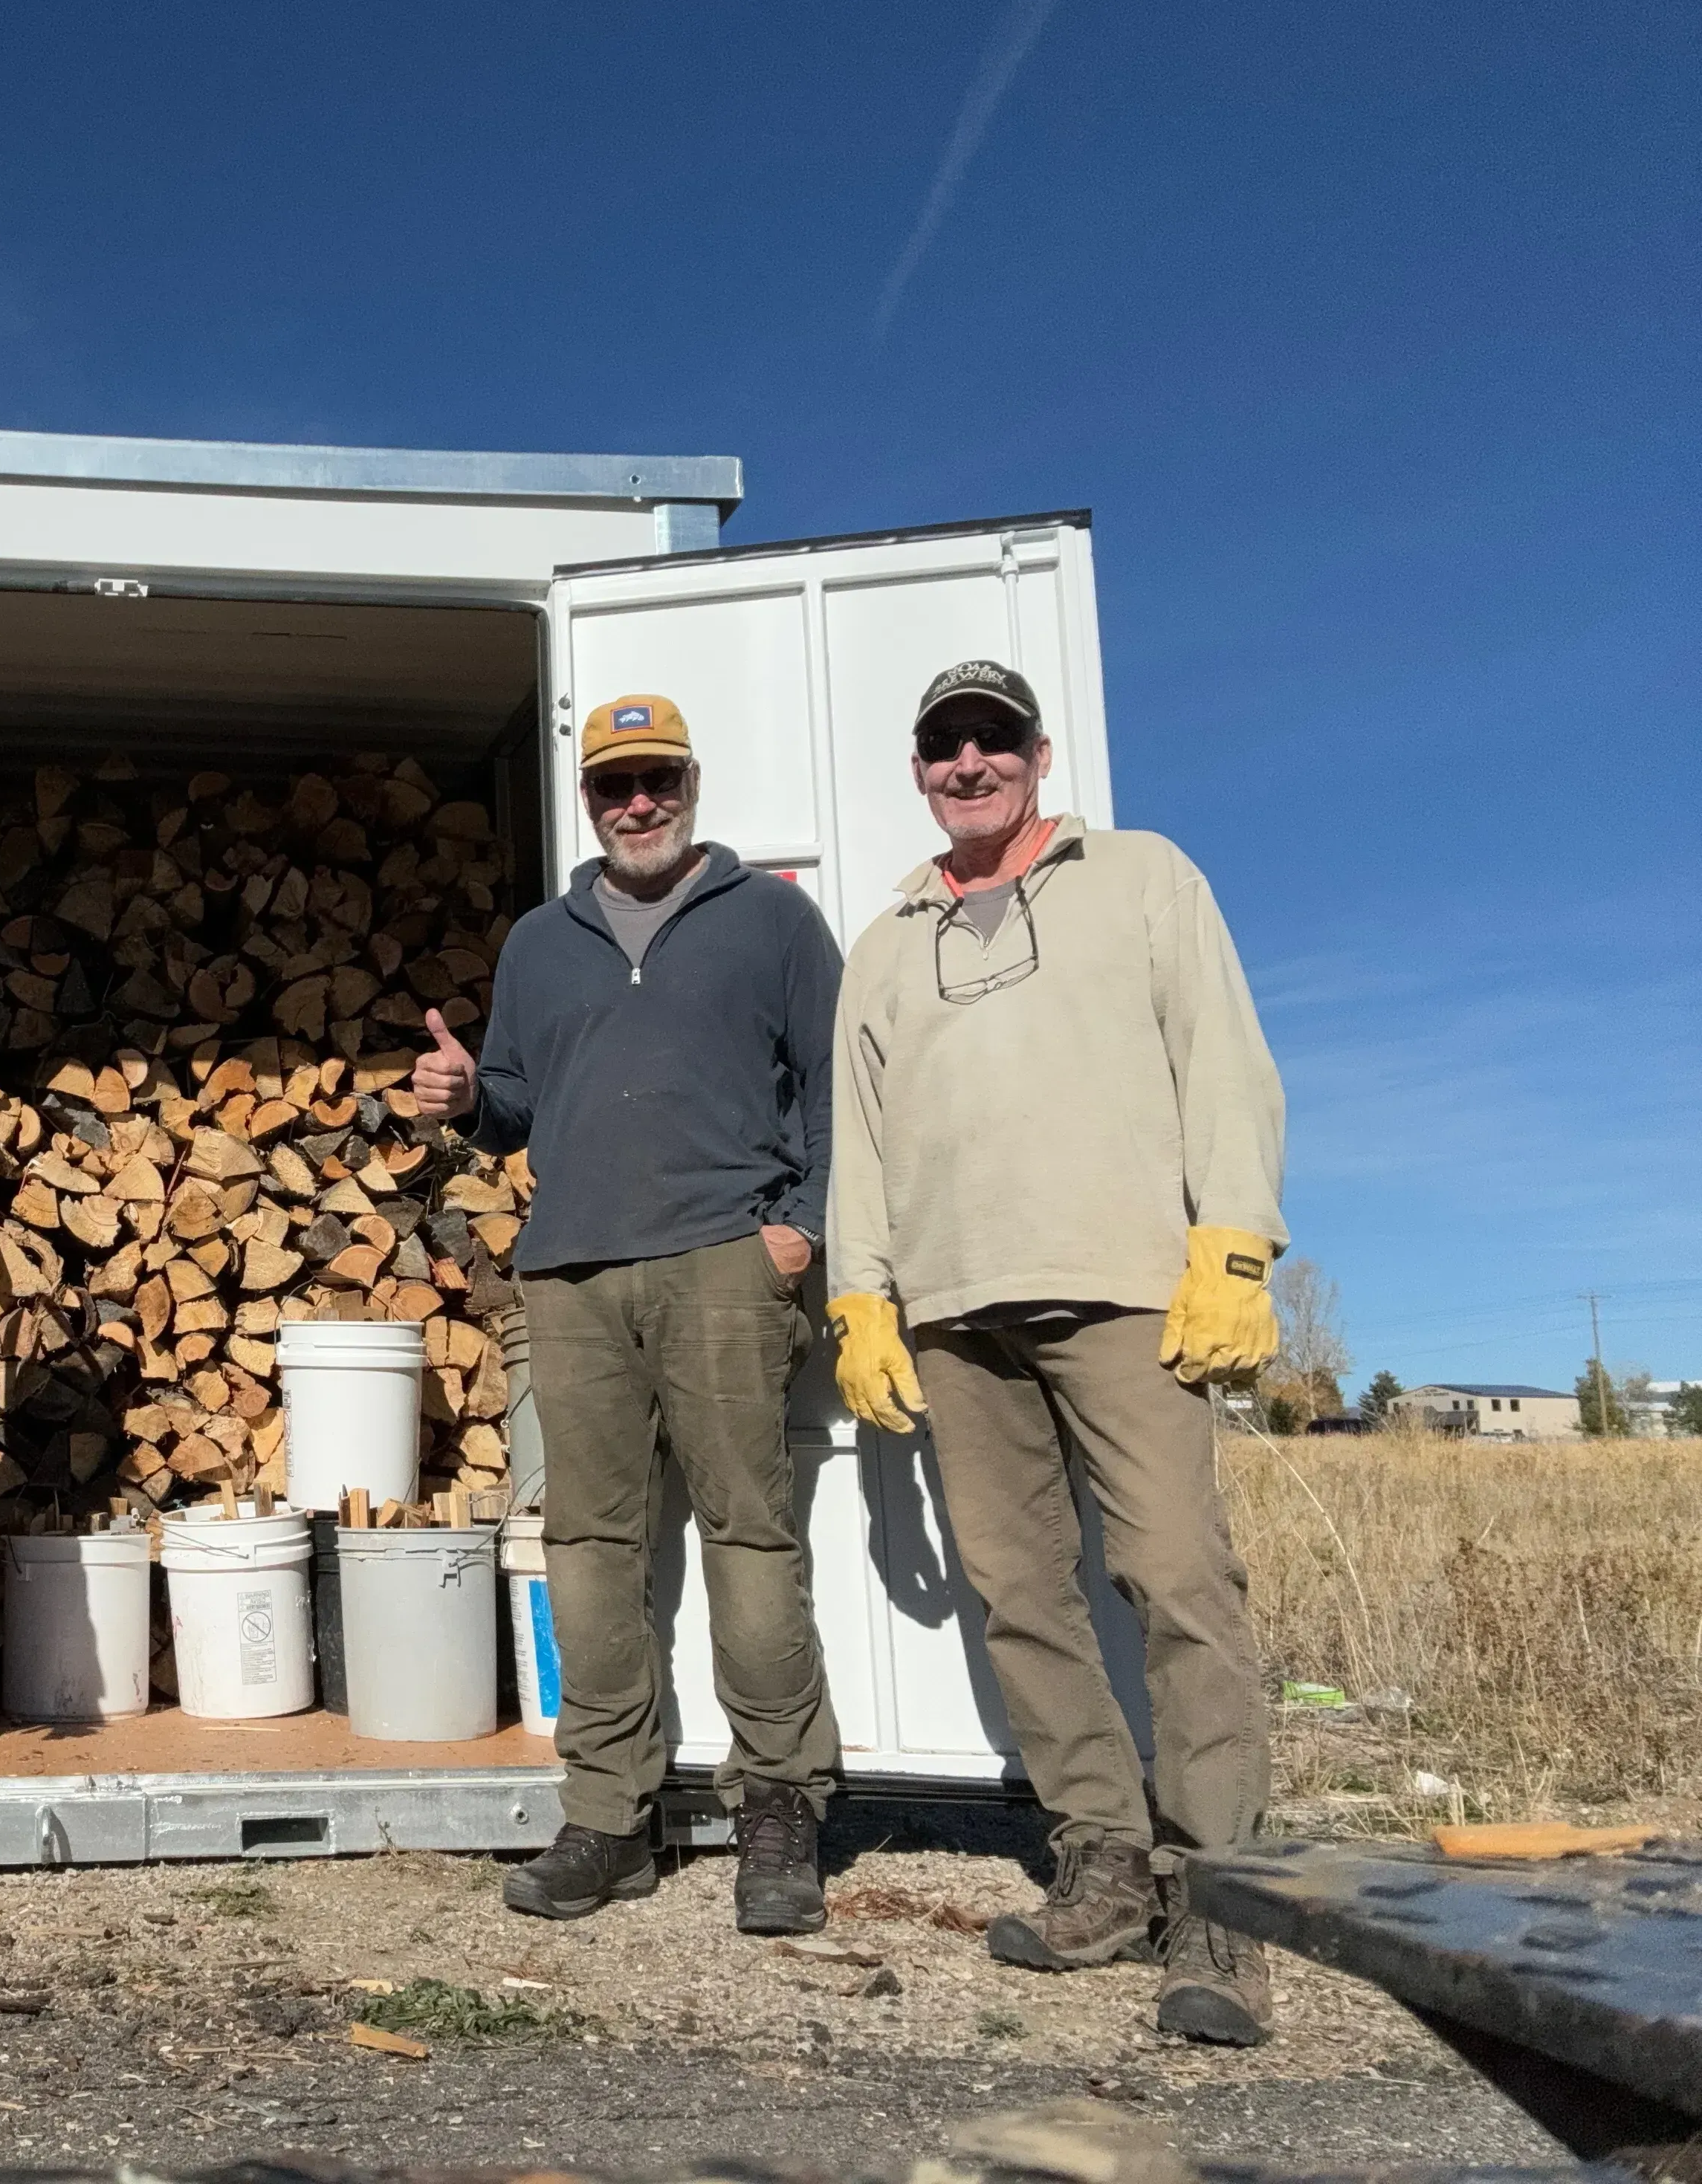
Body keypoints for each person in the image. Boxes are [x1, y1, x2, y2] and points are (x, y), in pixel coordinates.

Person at [825, 658, 1287, 2046]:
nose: (968, 763)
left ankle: (1220, 1897)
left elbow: (1224, 1057)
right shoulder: (889, 938)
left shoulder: (1142, 876)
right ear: (919, 769)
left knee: (1174, 1575)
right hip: (956, 1308)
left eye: (992, 740)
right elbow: (860, 1135)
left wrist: (1238, 1241)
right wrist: (862, 1297)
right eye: (942, 745)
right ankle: (1102, 1861)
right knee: (1020, 1588)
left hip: (1127, 1287)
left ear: (1034, 754)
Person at [413, 694, 844, 1931]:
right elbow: (510, 1101)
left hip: (723, 1260)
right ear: (589, 799)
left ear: (692, 784)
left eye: (656, 778)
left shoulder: (769, 917)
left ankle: (777, 1811)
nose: (637, 802)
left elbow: (832, 1085)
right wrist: (461, 1096)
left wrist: (797, 1228)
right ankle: (611, 1818)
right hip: (574, 1273)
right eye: (615, 785)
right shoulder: (539, 942)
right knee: (589, 1551)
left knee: (747, 1539)